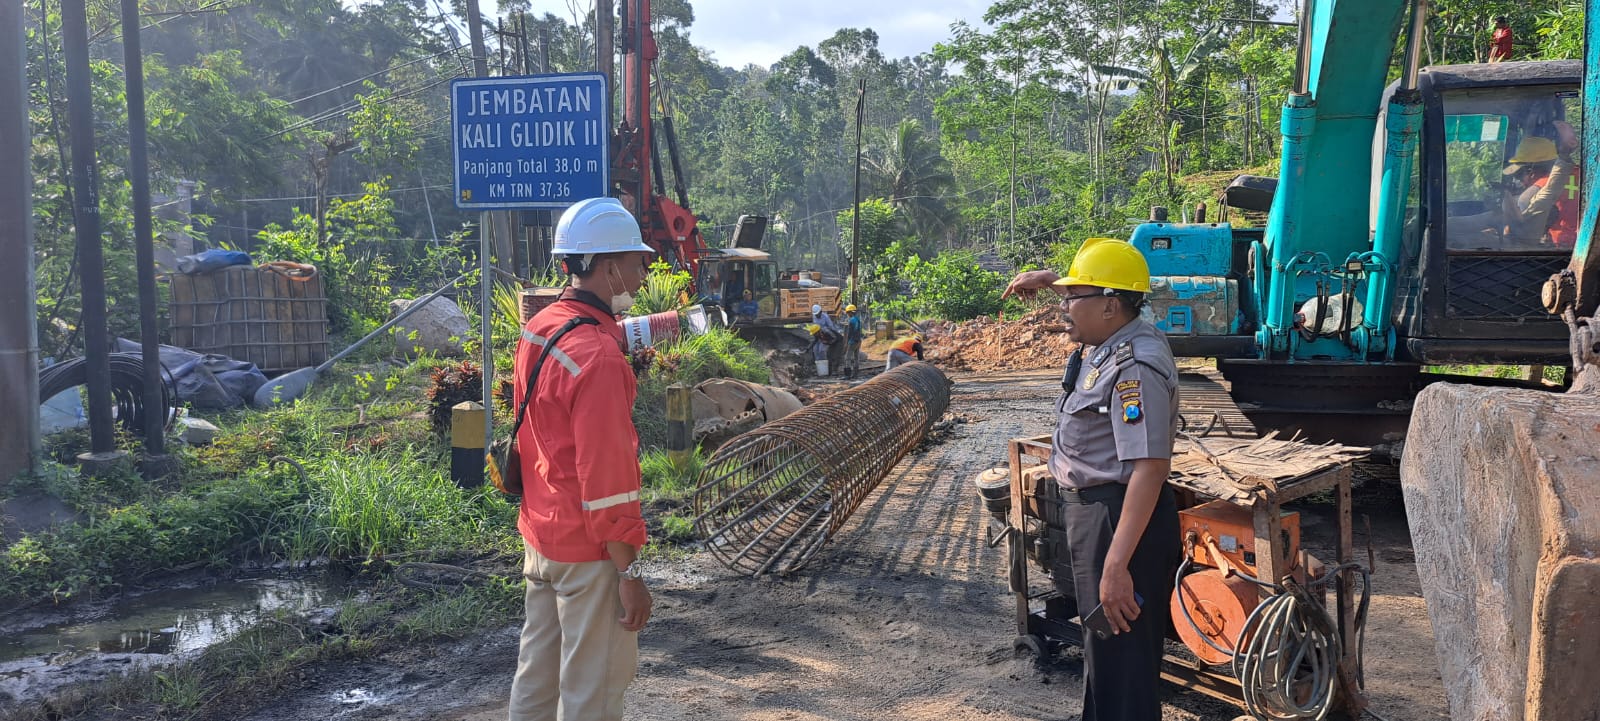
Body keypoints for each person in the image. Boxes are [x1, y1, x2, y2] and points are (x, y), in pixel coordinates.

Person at [1000, 237, 1180, 721]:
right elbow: (1104, 281)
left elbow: (1150, 468)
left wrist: (1116, 566)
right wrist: (1050, 278)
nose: (1063, 307)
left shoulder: (1132, 368)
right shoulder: (1117, 335)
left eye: (1070, 298)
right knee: (1105, 657)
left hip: (1118, 519)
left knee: (1121, 666)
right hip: (1100, 515)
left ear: (1109, 305)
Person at [509, 197, 654, 721]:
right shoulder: (597, 358)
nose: (643, 271)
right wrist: (630, 571)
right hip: (589, 552)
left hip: (541, 535)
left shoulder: (542, 326)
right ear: (608, 266)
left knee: (536, 676)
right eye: (636, 261)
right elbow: (609, 481)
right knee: (593, 690)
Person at [842, 304, 864, 378]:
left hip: (852, 342)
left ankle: (847, 375)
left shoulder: (851, 320)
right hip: (858, 341)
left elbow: (850, 333)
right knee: (856, 357)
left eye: (848, 313)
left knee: (847, 358)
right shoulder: (858, 319)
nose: (847, 314)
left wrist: (846, 343)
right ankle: (855, 374)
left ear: (850, 312)